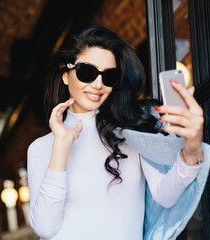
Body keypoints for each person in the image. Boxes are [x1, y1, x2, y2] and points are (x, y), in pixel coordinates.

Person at [27, 25, 208, 240]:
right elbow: (45, 228)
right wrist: (61, 147)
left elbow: (165, 196)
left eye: (109, 76)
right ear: (65, 74)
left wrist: (192, 150)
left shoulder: (131, 132)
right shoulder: (41, 148)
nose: (98, 84)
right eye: (87, 72)